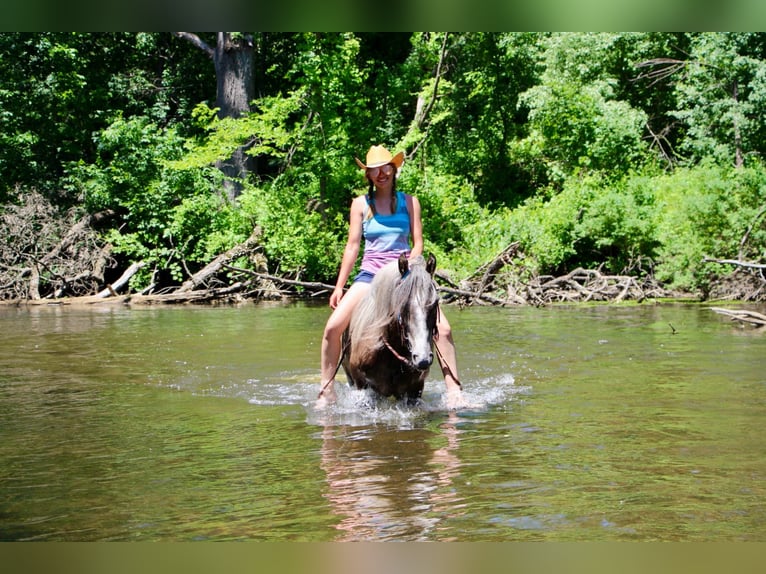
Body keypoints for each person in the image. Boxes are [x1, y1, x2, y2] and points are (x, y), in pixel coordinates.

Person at [316, 145, 466, 410]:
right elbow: (352, 246)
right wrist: (339, 286)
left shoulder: (410, 202)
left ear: (394, 169)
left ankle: (454, 390)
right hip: (370, 277)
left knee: (443, 328)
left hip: (405, 276)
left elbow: (417, 243)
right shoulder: (360, 204)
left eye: (385, 167)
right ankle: (326, 391)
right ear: (369, 175)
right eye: (374, 170)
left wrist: (409, 267)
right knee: (332, 328)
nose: (380, 174)